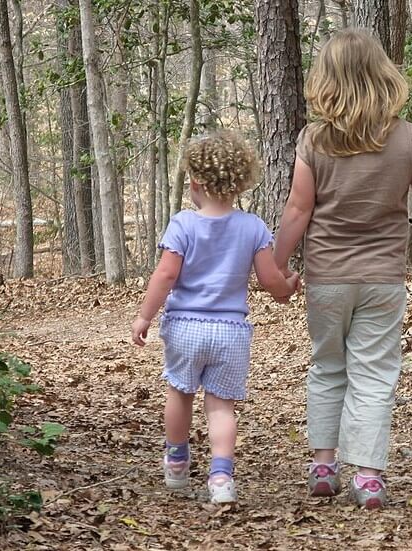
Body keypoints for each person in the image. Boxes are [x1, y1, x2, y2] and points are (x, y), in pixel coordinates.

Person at [272, 29, 412, 509]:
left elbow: (298, 210)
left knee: (327, 367)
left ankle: (323, 464)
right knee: (375, 373)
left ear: (327, 80)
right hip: (382, 278)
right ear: (382, 76)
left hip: (327, 276)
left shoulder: (314, 140)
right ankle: (368, 476)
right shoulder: (407, 139)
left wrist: (275, 268)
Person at [131, 130, 299, 504]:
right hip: (230, 332)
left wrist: (144, 316)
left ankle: (176, 462)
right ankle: (221, 477)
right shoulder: (253, 227)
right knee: (221, 406)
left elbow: (165, 275)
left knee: (179, 392)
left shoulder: (183, 224)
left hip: (186, 328)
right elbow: (269, 279)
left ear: (194, 182)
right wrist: (287, 288)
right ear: (240, 182)